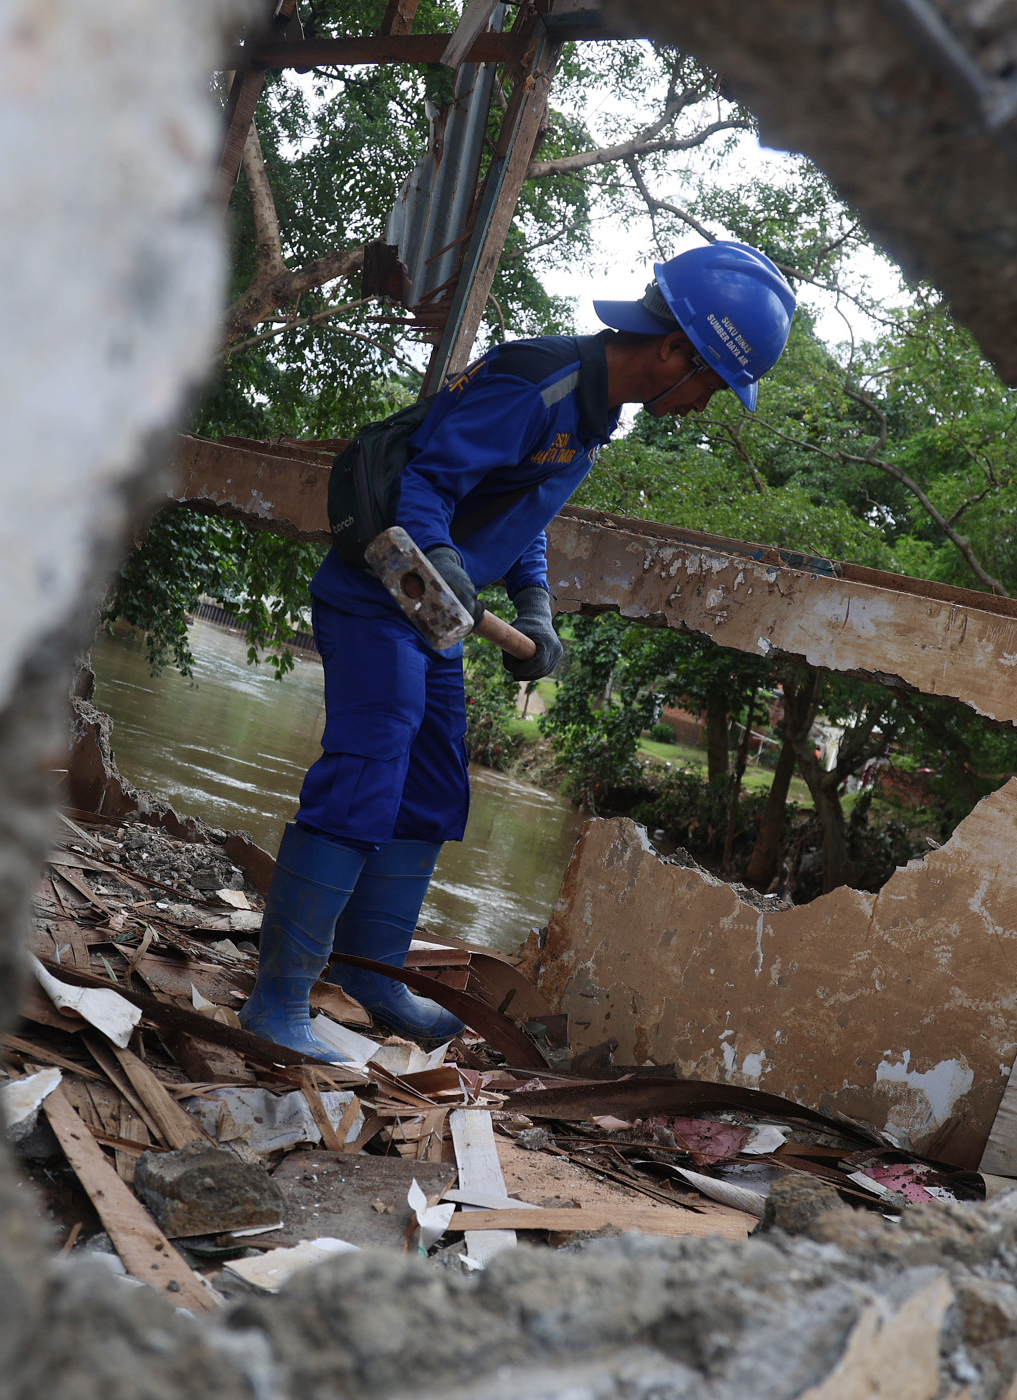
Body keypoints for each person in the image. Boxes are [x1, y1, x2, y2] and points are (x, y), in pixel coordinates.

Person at [242, 241, 800, 1059]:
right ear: (676, 350)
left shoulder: (595, 417)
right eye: (714, 381)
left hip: (433, 622)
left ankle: (369, 971)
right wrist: (453, 570)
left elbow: (522, 521)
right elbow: (424, 485)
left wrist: (534, 610)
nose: (709, 402)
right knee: (367, 773)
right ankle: (279, 1000)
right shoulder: (540, 381)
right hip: (380, 596)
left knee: (431, 788)